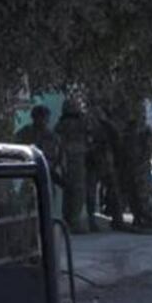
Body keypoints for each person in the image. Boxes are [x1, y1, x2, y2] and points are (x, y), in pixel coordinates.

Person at [55, 98, 89, 233]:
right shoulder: (79, 122)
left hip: (66, 159)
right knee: (77, 191)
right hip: (76, 159)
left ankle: (68, 219)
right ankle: (73, 221)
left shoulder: (61, 124)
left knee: (68, 191)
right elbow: (89, 130)